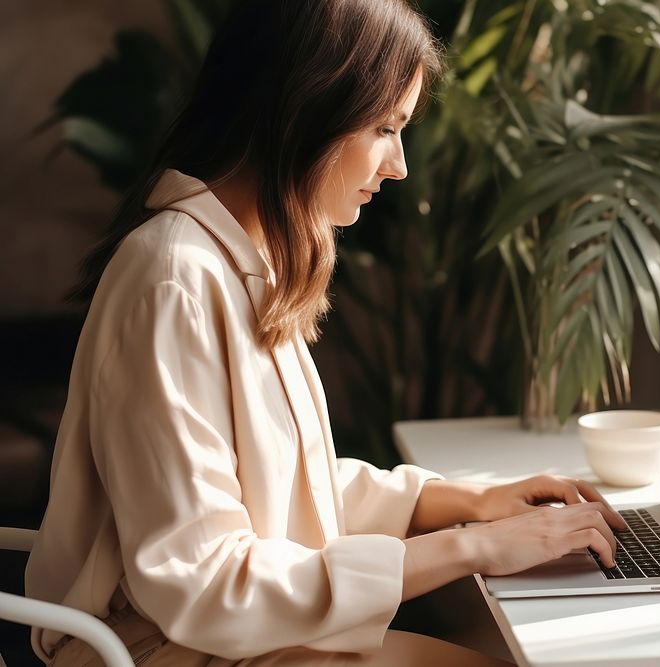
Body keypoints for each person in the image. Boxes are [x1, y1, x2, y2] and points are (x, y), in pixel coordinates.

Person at [25, 1, 625, 664]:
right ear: (308, 112)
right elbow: (204, 583)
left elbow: (279, 484)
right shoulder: (174, 279)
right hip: (175, 649)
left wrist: (468, 500)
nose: (397, 165)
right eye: (383, 128)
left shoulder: (240, 260)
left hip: (230, 637)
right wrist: (470, 544)